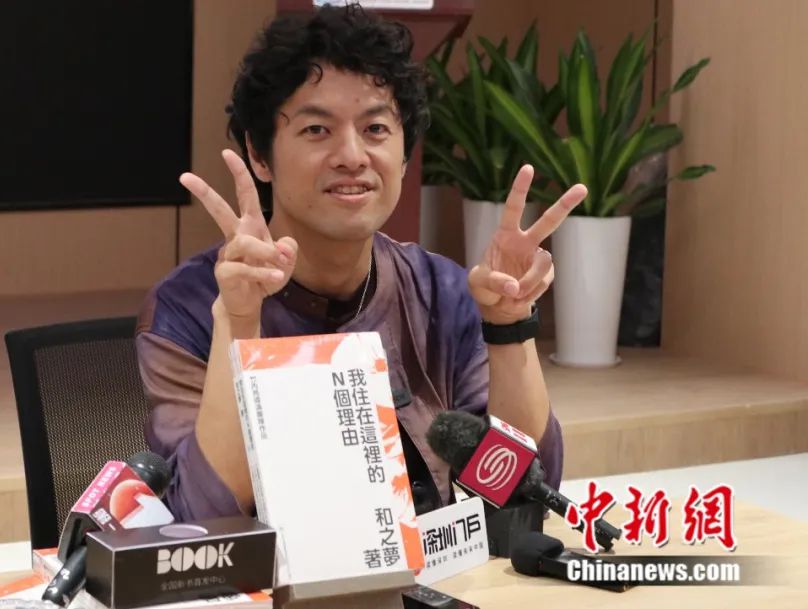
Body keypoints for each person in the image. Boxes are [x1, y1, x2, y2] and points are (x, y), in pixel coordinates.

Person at [135, 4, 587, 521]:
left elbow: (523, 496)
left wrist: (508, 326)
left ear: (404, 152)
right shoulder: (190, 307)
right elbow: (205, 521)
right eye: (316, 130)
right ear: (259, 155)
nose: (352, 156)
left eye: (375, 129)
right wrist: (238, 324)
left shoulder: (441, 291)